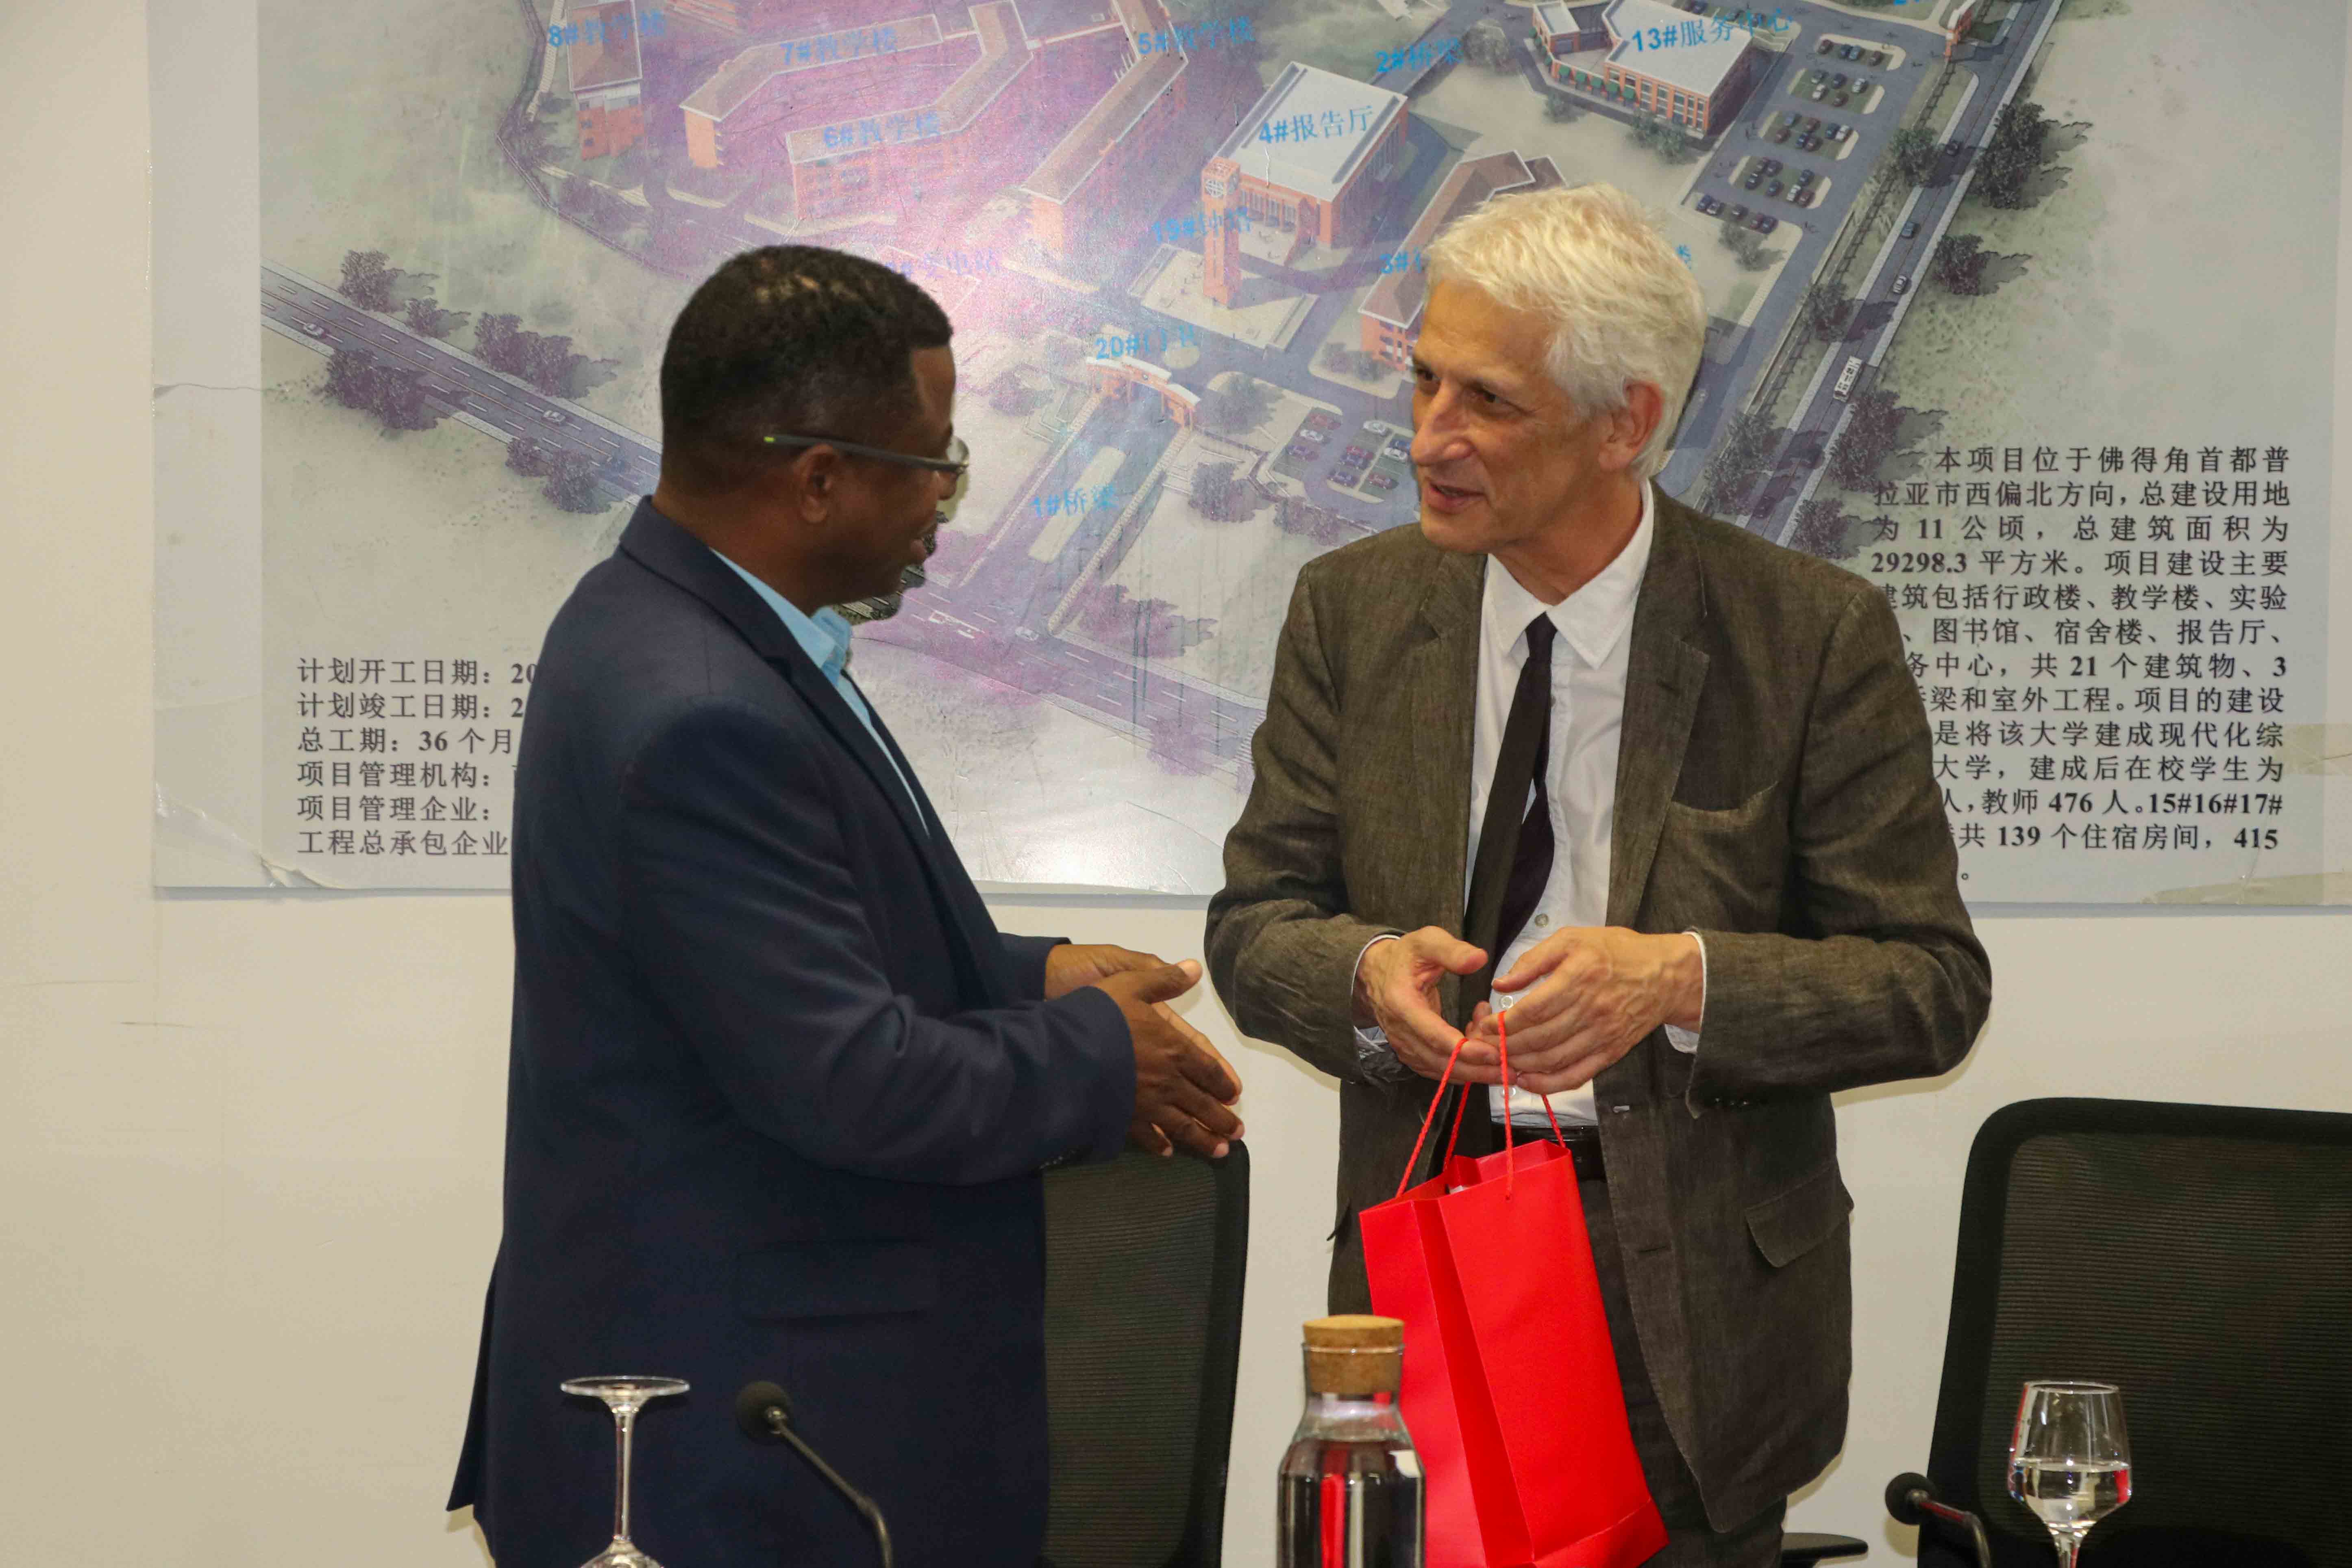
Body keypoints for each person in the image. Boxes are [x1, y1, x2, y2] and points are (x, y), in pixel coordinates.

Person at [1205, 185, 1991, 1566]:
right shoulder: (1351, 607)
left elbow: (1928, 985)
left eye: (1487, 402)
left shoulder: (1804, 633)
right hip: (1428, 1261)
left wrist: (1681, 980)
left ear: (1623, 422)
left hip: (1696, 1295)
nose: (1427, 436)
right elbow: (1255, 920)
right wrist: (1365, 975)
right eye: (1424, 380)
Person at [448, 246, 1245, 1568]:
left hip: (755, 1404)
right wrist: (1102, 1056)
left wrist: (1027, 975)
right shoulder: (699, 706)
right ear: (818, 478)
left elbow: (771, 946)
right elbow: (848, 1076)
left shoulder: (671, 622)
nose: (945, 501)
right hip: (737, 1447)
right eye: (933, 464)